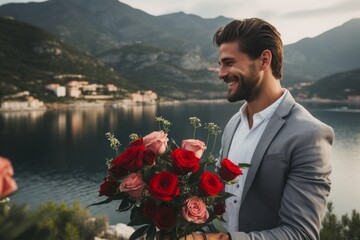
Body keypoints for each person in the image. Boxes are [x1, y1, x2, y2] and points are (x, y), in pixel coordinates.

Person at [183, 18, 334, 240]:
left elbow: (301, 233)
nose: (221, 74)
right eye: (220, 64)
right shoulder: (233, 125)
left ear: (264, 59)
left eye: (229, 63)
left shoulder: (310, 134)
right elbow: (221, 210)